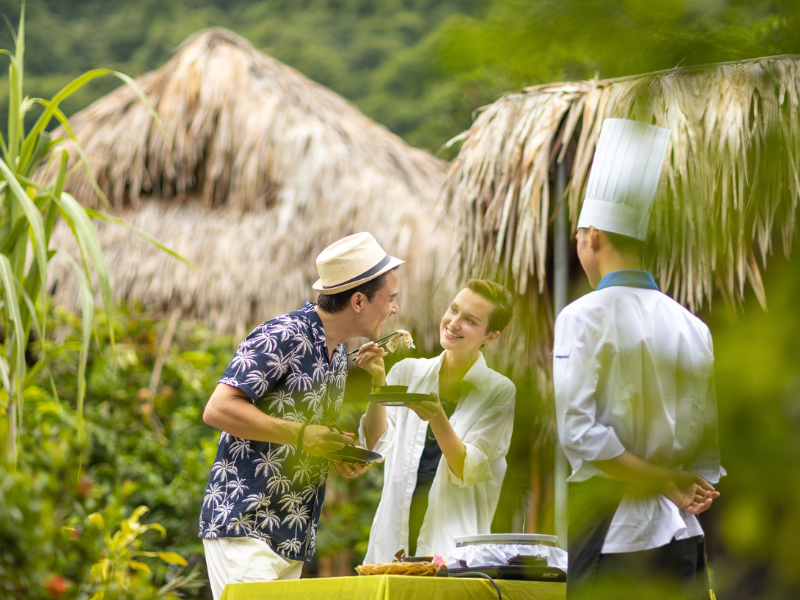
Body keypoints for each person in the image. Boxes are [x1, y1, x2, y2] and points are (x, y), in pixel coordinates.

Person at [553, 118, 725, 599]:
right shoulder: (693, 325)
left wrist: (662, 480)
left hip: (612, 536)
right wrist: (679, 481)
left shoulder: (581, 316)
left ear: (592, 237)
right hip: (682, 537)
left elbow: (579, 434)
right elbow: (707, 456)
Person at [199, 232, 403, 599]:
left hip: (290, 537)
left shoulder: (338, 355)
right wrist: (301, 435)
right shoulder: (285, 333)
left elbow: (305, 435)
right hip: (246, 526)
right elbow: (218, 408)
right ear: (358, 300)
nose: (395, 309)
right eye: (391, 298)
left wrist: (330, 450)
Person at [356, 279, 516, 563]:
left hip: (453, 547)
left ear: (490, 336)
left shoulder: (499, 392)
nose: (453, 323)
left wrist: (437, 417)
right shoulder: (407, 372)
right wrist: (378, 383)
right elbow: (374, 444)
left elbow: (470, 468)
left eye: (470, 320)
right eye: (453, 309)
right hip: (392, 544)